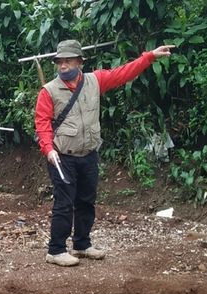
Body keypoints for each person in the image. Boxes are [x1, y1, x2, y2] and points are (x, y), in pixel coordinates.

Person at [35, 40, 174, 266]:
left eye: (68, 61)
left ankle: (82, 244)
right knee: (64, 203)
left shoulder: (95, 81)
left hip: (89, 153)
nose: (63, 66)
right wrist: (48, 149)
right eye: (59, 62)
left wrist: (149, 57)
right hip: (62, 156)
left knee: (86, 200)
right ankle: (56, 250)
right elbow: (42, 123)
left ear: (80, 62)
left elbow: (123, 73)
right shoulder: (48, 91)